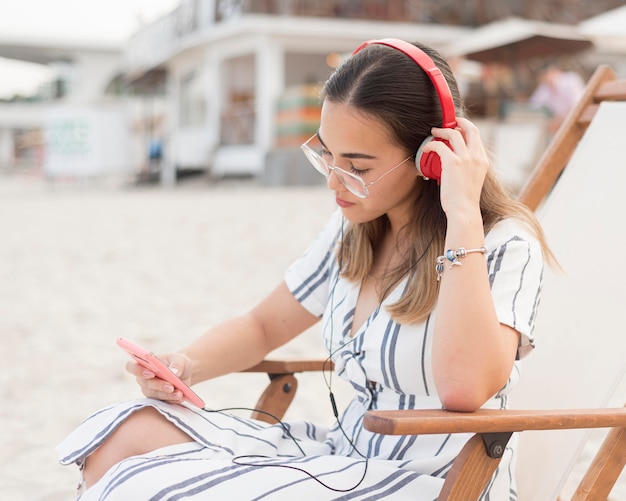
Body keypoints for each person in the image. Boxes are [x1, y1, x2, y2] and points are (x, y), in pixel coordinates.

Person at [57, 38, 552, 500]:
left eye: (357, 167)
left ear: (432, 160)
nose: (336, 182)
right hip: (342, 456)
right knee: (126, 433)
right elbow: (264, 324)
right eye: (327, 156)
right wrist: (185, 366)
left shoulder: (501, 243)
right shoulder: (355, 230)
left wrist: (461, 216)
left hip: (431, 481)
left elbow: (464, 389)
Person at [528, 64, 585, 134]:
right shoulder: (545, 87)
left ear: (555, 71)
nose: (544, 78)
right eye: (542, 76)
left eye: (546, 74)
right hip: (562, 124)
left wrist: (557, 120)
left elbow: (577, 106)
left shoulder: (570, 80)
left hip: (579, 120)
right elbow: (533, 106)